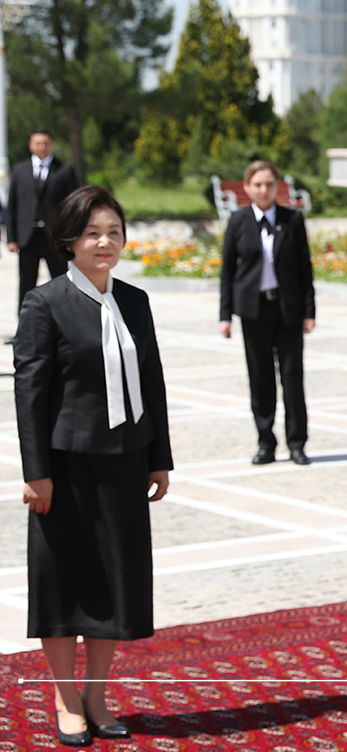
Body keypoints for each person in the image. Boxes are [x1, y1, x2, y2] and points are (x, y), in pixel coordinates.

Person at [14, 185, 172, 747]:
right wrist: (36, 473)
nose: (105, 242)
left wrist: (159, 459)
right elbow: (29, 396)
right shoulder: (44, 304)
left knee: (114, 585)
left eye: (114, 232)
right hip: (65, 468)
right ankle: (64, 697)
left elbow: (151, 384)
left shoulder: (135, 301)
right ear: (68, 241)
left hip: (125, 464)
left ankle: (98, 695)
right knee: (63, 586)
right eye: (92, 232)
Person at [218, 160, 316, 466]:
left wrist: (309, 311)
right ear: (247, 187)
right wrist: (225, 315)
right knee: (260, 378)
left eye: (269, 184)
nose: (263, 190)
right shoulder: (238, 221)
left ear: (278, 187)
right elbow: (227, 272)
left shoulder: (293, 219)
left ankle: (297, 443)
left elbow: (304, 269)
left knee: (292, 377)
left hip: (287, 309)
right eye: (257, 184)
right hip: (253, 309)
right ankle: (266, 442)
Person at [6, 129, 82, 311]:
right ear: (31, 145)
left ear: (51, 145)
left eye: (45, 143)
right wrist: (11, 238)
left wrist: (72, 235)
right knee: (26, 282)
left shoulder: (65, 170)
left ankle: (64, 324)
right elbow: (12, 206)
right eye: (38, 143)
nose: (42, 147)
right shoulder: (19, 170)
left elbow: (75, 204)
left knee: (61, 280)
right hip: (28, 237)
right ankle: (24, 328)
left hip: (54, 237)